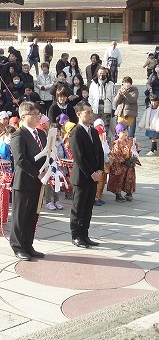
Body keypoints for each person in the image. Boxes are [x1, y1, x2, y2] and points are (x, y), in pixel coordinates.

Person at [9, 101, 47, 261]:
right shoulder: (19, 135)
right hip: (24, 182)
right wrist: (37, 173)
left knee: (33, 214)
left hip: (39, 181)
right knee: (21, 215)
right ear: (24, 116)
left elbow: (46, 154)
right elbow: (20, 159)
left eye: (39, 114)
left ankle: (28, 244)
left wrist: (48, 168)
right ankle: (18, 246)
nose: (38, 117)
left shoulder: (41, 134)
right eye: (35, 114)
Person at [68, 101, 104, 249]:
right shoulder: (75, 133)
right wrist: (91, 173)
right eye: (87, 112)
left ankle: (85, 234)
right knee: (79, 208)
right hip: (82, 177)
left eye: (91, 112)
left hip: (94, 176)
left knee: (88, 207)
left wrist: (100, 170)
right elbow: (79, 157)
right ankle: (76, 235)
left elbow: (100, 152)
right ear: (78, 114)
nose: (91, 115)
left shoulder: (94, 131)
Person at [107, 123, 139, 203]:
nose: (125, 133)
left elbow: (136, 149)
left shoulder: (131, 140)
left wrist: (134, 157)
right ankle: (118, 194)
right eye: (123, 132)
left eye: (126, 131)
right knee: (119, 179)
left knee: (130, 179)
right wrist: (124, 161)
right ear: (118, 133)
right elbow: (115, 154)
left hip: (130, 164)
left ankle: (129, 193)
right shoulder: (116, 143)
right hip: (120, 165)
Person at [88, 67, 117, 137]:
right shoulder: (93, 84)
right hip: (96, 108)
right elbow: (91, 97)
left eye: (103, 73)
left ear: (106, 74)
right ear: (97, 74)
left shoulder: (111, 84)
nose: (101, 75)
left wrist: (113, 108)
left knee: (105, 127)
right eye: (100, 73)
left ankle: (104, 141)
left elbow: (114, 97)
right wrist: (90, 108)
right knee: (95, 126)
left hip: (106, 108)